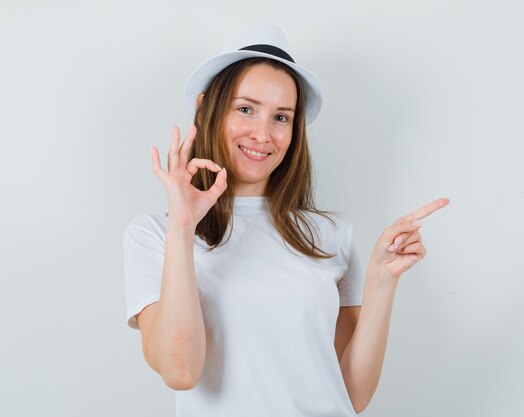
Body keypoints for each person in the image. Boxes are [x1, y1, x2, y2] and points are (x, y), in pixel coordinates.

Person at [123, 24, 449, 417]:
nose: (263, 134)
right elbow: (180, 371)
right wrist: (182, 225)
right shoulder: (155, 234)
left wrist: (382, 280)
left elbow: (351, 396)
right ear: (206, 107)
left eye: (281, 117)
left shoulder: (329, 236)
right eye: (246, 109)